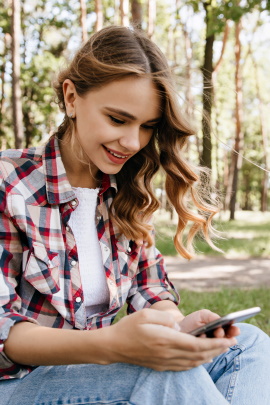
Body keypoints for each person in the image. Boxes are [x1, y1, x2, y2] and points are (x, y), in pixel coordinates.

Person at [0, 25, 269, 405]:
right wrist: (111, 345)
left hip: (95, 375)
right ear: (72, 97)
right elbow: (4, 332)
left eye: (147, 127)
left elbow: (150, 289)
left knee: (250, 345)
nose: (132, 142)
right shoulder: (9, 184)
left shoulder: (125, 190)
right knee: (156, 379)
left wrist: (179, 328)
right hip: (17, 386)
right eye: (118, 119)